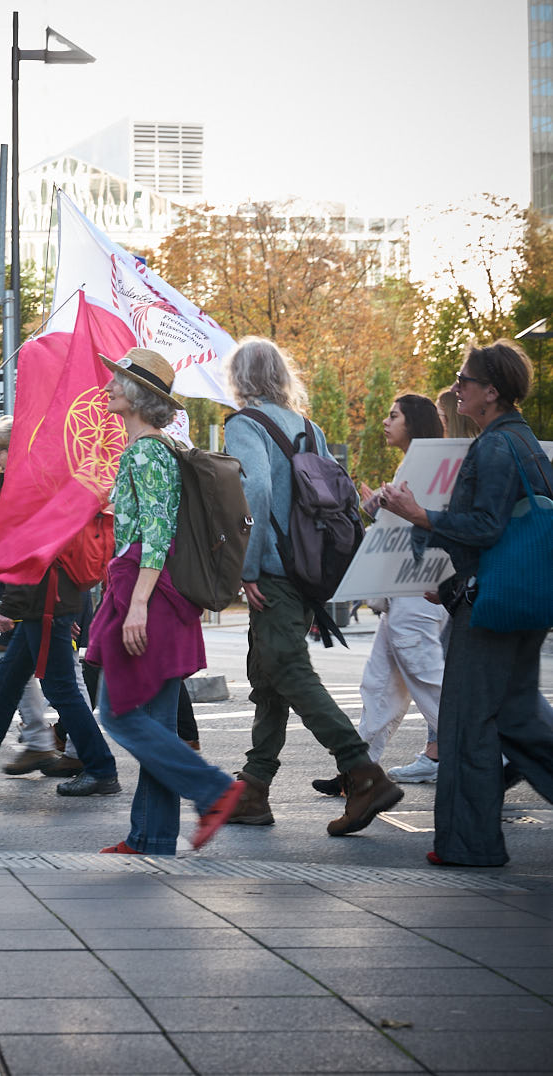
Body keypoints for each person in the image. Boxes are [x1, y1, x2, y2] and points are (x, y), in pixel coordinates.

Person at [380, 340, 553, 866]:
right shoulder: (523, 442)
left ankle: (471, 845)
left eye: (465, 380)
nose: (457, 388)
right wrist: (449, 579)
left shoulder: (495, 447)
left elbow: (485, 526)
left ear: (491, 392)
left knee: (467, 722)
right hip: (522, 596)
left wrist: (421, 515)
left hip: (493, 606)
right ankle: (469, 841)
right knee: (517, 715)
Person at [222, 337, 403, 835]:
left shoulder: (244, 424)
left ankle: (362, 771)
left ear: (240, 378)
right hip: (310, 569)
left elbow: (252, 489)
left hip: (275, 569)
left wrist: (248, 566)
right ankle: (254, 787)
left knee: (286, 668)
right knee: (268, 673)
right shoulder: (308, 427)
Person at [89, 350, 243, 854]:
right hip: (153, 590)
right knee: (153, 721)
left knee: (116, 713)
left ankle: (214, 790)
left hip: (146, 591)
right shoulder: (156, 450)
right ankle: (152, 835)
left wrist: (135, 606)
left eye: (119, 380)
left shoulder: (145, 453)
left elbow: (156, 533)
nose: (109, 385)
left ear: (139, 397)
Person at [0, 415, 118, 793]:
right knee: (6, 684)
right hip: (48, 604)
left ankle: (102, 768)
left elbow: (31, 558)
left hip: (44, 606)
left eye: (1, 450)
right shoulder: (46, 485)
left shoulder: (30, 490)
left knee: (59, 689)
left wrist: (9, 608)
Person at [311, 394, 445, 796]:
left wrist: (380, 510)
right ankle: (359, 770)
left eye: (394, 415)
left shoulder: (425, 463)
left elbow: (421, 526)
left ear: (414, 422)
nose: (386, 422)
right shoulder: (418, 463)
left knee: (428, 683)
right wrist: (379, 510)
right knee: (379, 687)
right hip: (404, 596)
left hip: (416, 595)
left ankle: (490, 752)